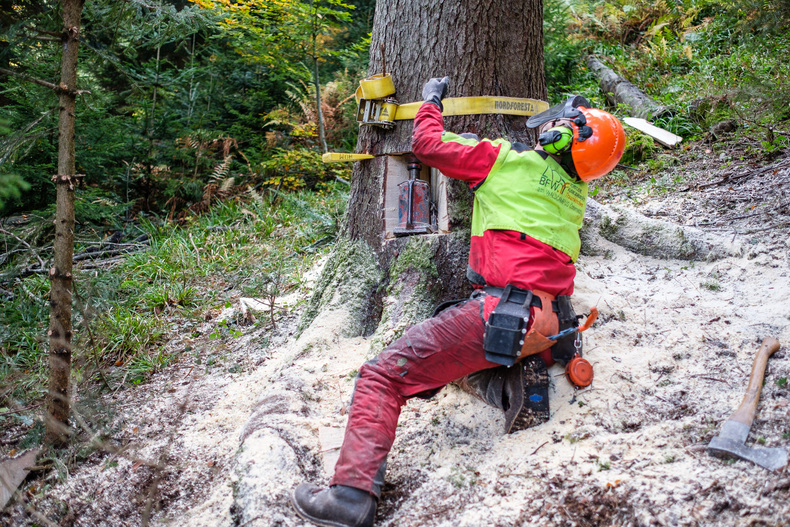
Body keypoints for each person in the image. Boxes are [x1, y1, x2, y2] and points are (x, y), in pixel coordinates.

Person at [291, 77, 625, 527]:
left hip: (501, 314)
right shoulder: (574, 195)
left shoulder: (504, 161)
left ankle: (349, 498)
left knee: (380, 376)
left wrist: (431, 101)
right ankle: (510, 388)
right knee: (449, 334)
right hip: (550, 325)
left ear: (558, 135)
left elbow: (426, 144)